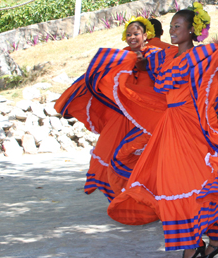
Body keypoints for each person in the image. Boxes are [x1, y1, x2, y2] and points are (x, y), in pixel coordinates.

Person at [107, 4, 218, 258]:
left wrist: (216, 45)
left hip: (193, 125)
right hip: (172, 125)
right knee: (174, 184)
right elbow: (154, 70)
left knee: (200, 181)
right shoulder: (167, 59)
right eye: (171, 26)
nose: (172, 30)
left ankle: (211, 240)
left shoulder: (200, 56)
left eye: (178, 26)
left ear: (192, 30)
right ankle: (200, 242)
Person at [55, 17, 166, 202]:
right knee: (110, 149)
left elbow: (155, 69)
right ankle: (122, 193)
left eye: (136, 34)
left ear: (145, 35)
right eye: (129, 34)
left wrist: (140, 63)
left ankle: (147, 193)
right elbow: (105, 70)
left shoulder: (154, 52)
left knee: (143, 153)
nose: (132, 37)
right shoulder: (123, 54)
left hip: (147, 113)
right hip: (123, 114)